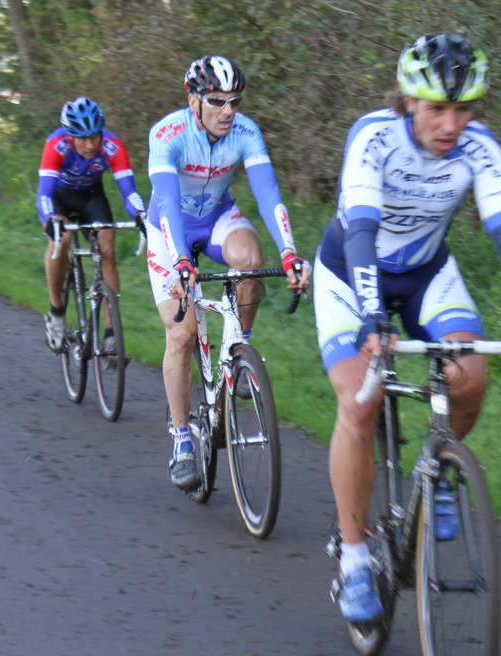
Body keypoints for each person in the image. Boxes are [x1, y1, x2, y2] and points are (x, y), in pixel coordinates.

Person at [315, 34, 501, 622]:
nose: (451, 124)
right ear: (408, 101)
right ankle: (354, 560)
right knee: (358, 405)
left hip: (426, 274)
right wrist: (372, 316)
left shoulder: (480, 148)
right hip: (351, 273)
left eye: (464, 109)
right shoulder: (373, 137)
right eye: (437, 109)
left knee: (470, 377)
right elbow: (361, 229)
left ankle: (441, 471)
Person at [145, 55, 311, 492]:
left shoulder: (245, 132)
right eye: (217, 101)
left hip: (216, 216)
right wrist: (181, 261)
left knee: (251, 260)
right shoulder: (167, 134)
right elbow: (166, 200)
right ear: (194, 101)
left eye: (235, 101)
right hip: (169, 227)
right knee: (181, 335)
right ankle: (182, 440)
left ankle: (238, 350)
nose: (228, 110)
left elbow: (267, 192)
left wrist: (289, 252)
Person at [39, 97, 147, 353]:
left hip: (90, 196)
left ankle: (111, 335)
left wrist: (141, 214)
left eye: (94, 136)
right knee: (62, 240)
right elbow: (44, 193)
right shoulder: (56, 145)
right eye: (82, 138)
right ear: (70, 136)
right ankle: (56, 313)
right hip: (59, 197)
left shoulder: (112, 146)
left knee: (106, 243)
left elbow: (129, 191)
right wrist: (50, 219)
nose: (90, 145)